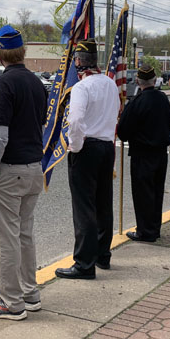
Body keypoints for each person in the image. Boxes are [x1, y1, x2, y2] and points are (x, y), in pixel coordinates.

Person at [0, 25, 48, 321]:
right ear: (23, 52)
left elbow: (0, 136)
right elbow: (37, 124)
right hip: (35, 167)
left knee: (4, 238)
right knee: (24, 234)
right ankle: (30, 293)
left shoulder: (3, 85)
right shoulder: (36, 83)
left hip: (10, 170)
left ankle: (11, 301)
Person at [55, 38, 118, 280]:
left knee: (84, 207)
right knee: (103, 203)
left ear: (79, 62)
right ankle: (103, 255)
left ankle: (84, 264)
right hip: (105, 145)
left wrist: (75, 147)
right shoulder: (111, 84)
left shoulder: (82, 87)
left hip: (87, 147)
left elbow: (76, 121)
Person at [118, 64, 170, 242]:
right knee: (156, 192)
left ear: (138, 81)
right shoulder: (163, 98)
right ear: (155, 80)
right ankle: (154, 228)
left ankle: (145, 231)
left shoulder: (137, 102)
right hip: (160, 153)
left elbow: (123, 132)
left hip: (142, 153)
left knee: (143, 194)